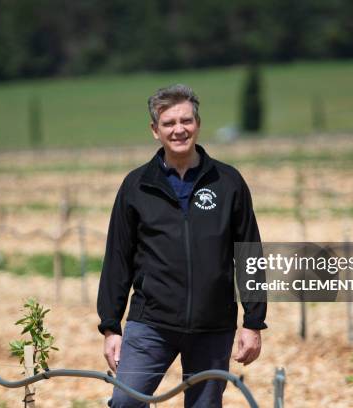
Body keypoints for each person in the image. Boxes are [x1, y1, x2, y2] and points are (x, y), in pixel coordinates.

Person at [97, 84, 267, 407]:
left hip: (213, 325)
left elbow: (250, 254)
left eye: (186, 121)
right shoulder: (136, 187)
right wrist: (110, 327)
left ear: (198, 124)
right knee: (125, 402)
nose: (179, 130)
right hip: (151, 324)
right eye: (169, 123)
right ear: (154, 130)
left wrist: (254, 322)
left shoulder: (228, 182)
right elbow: (118, 258)